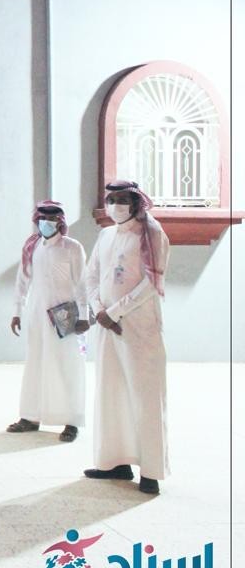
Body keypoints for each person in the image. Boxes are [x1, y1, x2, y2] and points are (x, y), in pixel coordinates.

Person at [83, 180, 170, 495]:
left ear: (136, 203)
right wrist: (99, 310)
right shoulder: (106, 235)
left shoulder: (151, 234)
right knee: (111, 393)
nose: (116, 205)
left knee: (145, 395)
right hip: (107, 327)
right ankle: (114, 462)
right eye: (111, 199)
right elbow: (92, 275)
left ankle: (150, 471)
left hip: (138, 327)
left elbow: (152, 282)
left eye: (122, 200)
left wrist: (115, 311)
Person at [8, 200, 89, 442]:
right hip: (36, 314)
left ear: (60, 221)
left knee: (67, 366)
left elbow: (82, 283)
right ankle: (30, 417)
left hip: (65, 315)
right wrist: (17, 311)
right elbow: (22, 280)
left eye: (52, 218)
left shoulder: (72, 247)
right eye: (43, 218)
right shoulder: (32, 246)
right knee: (35, 363)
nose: (47, 222)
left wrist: (84, 316)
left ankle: (71, 422)